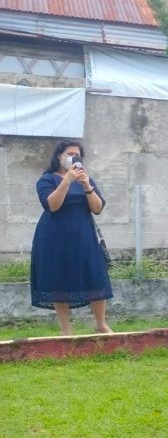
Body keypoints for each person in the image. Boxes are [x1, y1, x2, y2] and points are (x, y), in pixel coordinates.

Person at [30, 140, 113, 336]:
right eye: (70, 154)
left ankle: (100, 324)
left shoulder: (87, 179)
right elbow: (52, 205)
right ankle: (66, 328)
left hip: (84, 236)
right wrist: (67, 180)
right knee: (60, 277)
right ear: (59, 156)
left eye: (77, 155)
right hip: (55, 237)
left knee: (95, 275)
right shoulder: (47, 180)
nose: (74, 158)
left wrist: (86, 186)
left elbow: (97, 208)